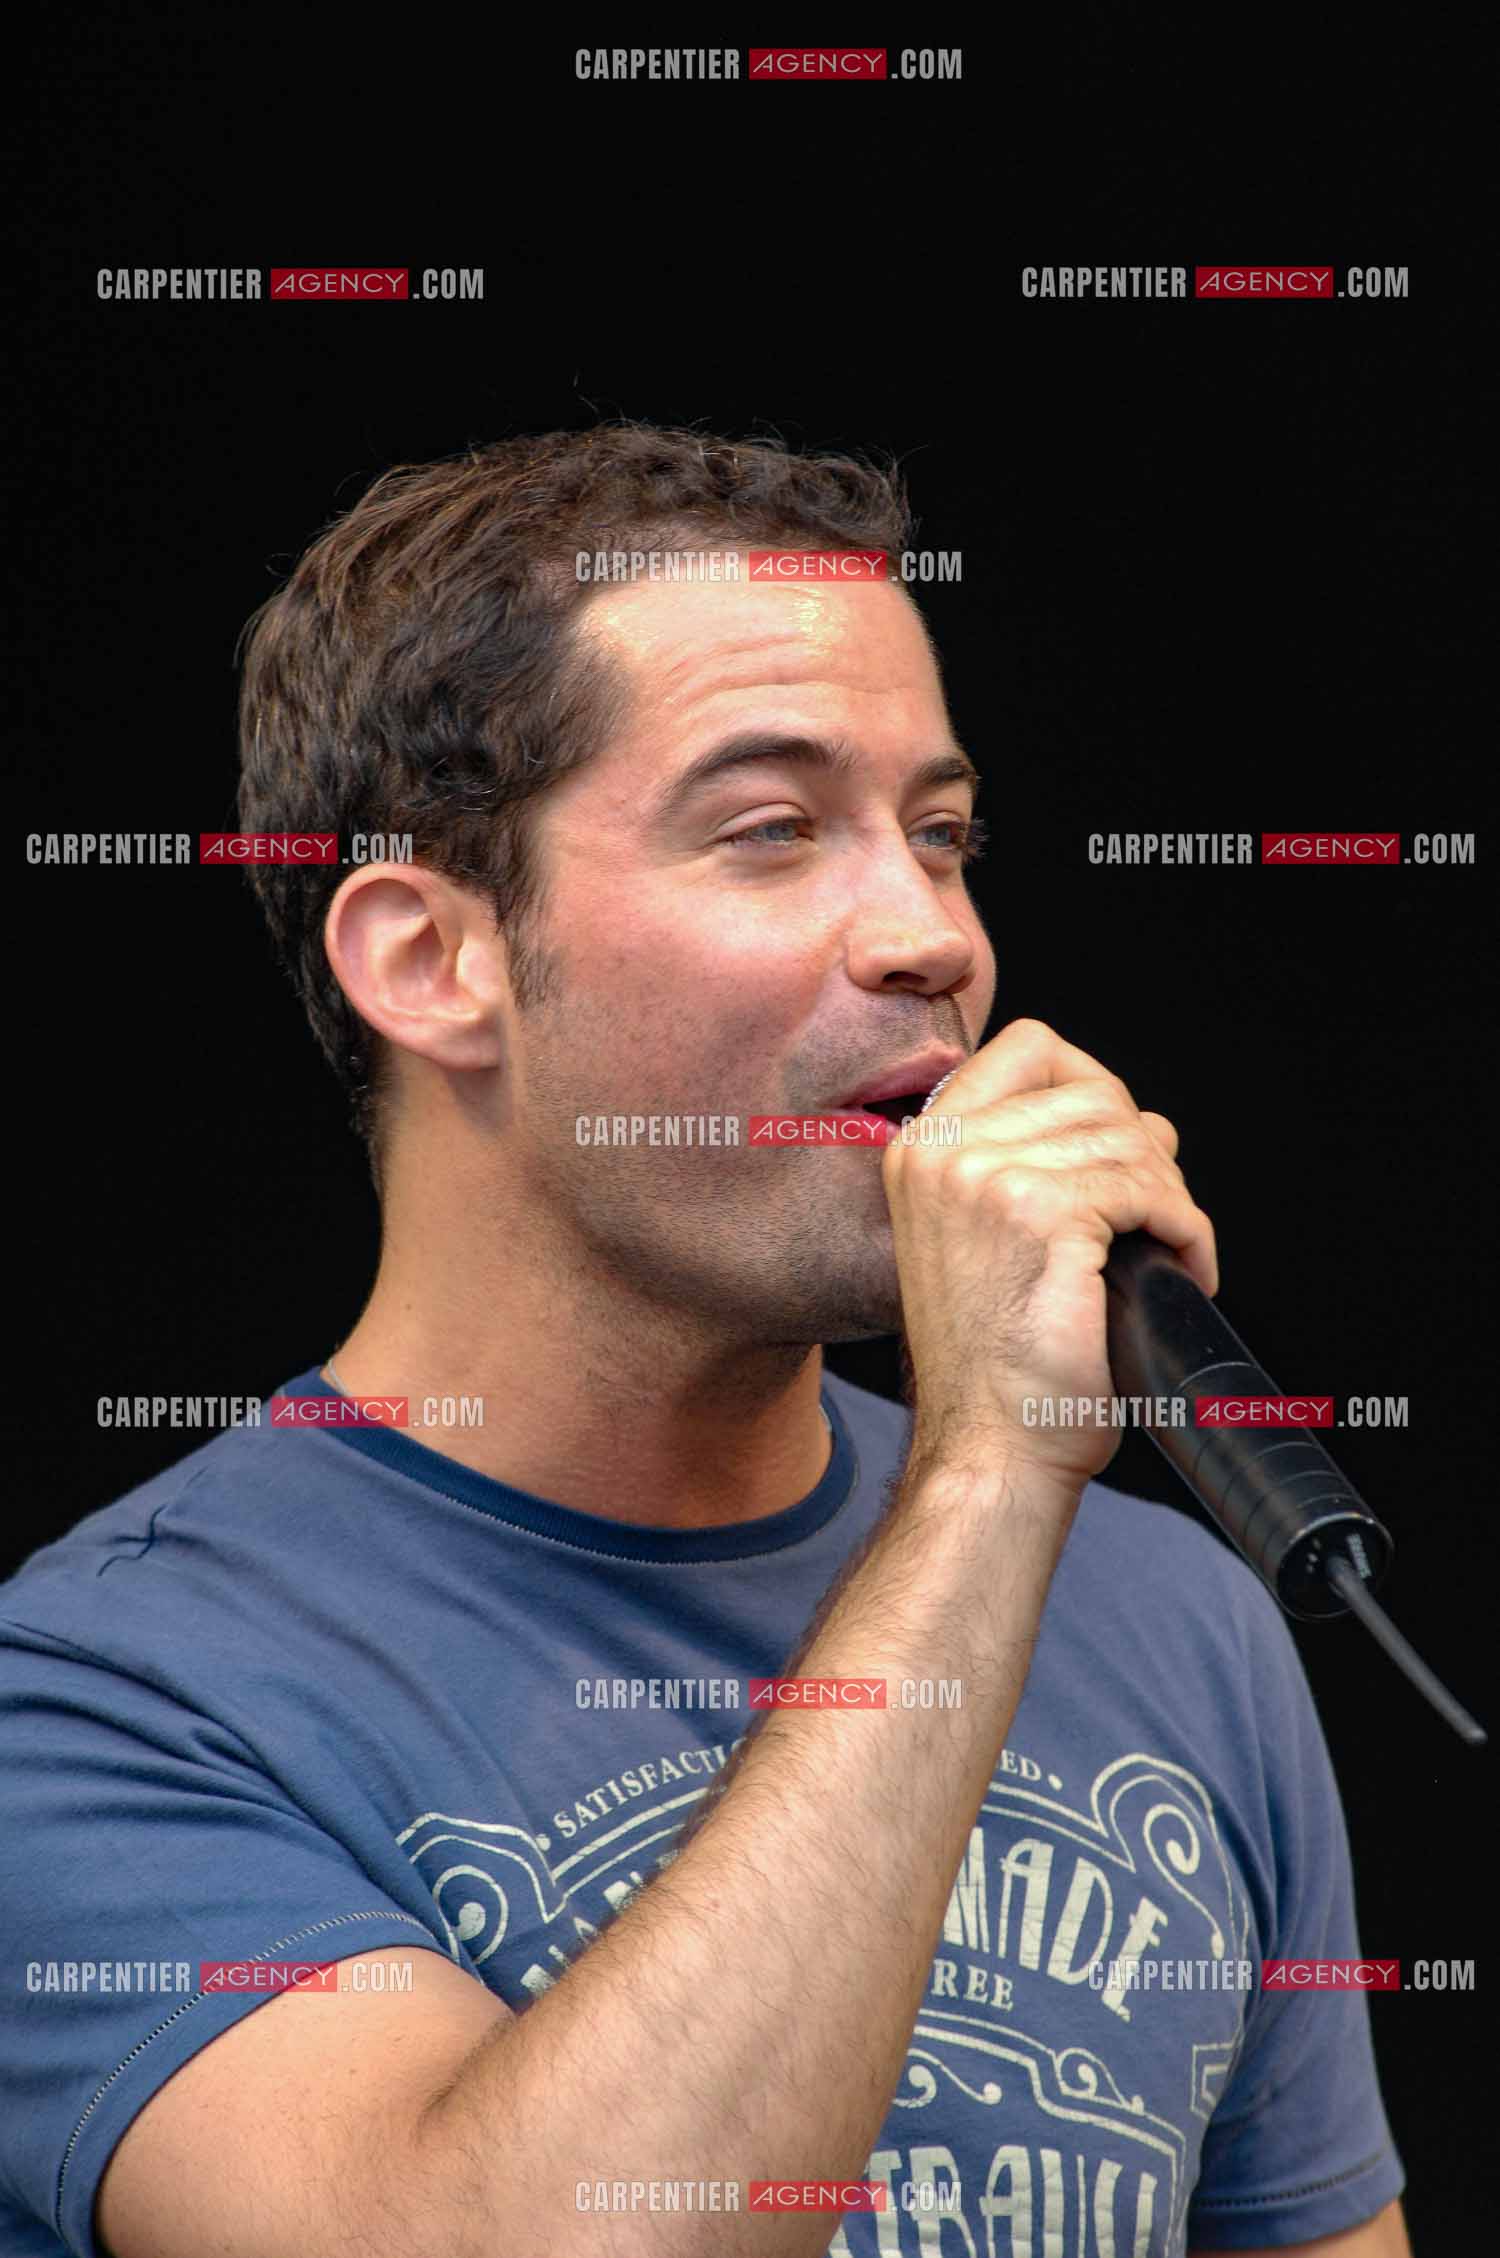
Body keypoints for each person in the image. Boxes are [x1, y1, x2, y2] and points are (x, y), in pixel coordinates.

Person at [0, 425, 1409, 2257]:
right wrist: (989, 1477)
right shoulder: (103, 1699)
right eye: (772, 831)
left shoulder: (1176, 1624)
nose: (933, 939)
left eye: (943, 835)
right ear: (433, 959)